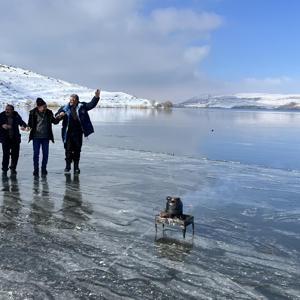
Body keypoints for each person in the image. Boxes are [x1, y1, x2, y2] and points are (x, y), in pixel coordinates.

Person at [55, 89, 101, 174]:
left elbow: (91, 105)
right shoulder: (64, 108)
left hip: (78, 132)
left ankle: (76, 167)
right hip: (67, 133)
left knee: (77, 150)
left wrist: (96, 97)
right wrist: (59, 115)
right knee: (68, 150)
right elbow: (56, 116)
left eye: (73, 100)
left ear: (77, 100)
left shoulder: (82, 106)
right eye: (70, 100)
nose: (71, 101)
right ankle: (68, 166)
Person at [28, 98, 60, 176]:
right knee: (36, 154)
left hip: (46, 137)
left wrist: (59, 117)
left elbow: (54, 122)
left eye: (45, 106)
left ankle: (43, 169)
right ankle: (36, 169)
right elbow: (30, 124)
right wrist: (26, 127)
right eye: (43, 107)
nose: (45, 108)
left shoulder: (49, 112)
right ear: (38, 107)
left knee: (45, 154)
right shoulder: (32, 113)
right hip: (36, 137)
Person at [0, 104, 28, 175]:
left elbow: (21, 122)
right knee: (6, 155)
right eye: (6, 109)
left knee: (15, 155)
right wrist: (2, 125)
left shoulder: (16, 115)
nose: (6, 111)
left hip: (15, 139)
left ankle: (13, 168)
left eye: (8, 109)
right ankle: (4, 169)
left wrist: (25, 127)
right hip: (5, 139)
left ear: (12, 110)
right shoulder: (1, 115)